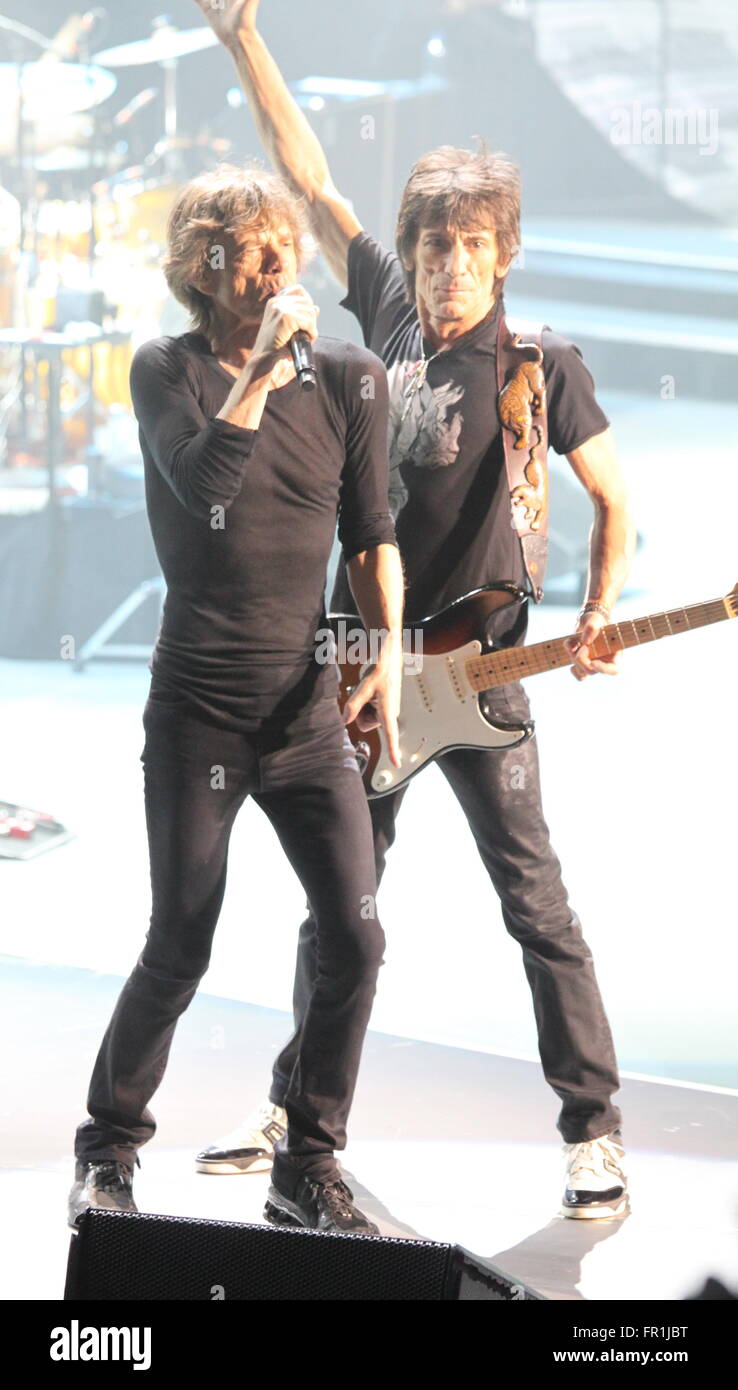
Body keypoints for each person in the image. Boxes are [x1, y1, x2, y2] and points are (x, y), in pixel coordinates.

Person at [193, 0, 638, 1220]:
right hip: (369, 664)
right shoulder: (385, 310)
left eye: (466, 251)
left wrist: (598, 611)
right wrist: (243, 42)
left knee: (535, 901)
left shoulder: (538, 363)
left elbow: (613, 500)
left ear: (503, 259)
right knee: (343, 904)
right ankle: (296, 1101)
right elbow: (312, 175)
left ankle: (593, 1127)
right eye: (431, 247)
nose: (444, 268)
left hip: (482, 675)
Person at [68, 162, 405, 1236]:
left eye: (280, 248)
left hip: (304, 715)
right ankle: (107, 1149)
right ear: (200, 271)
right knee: (182, 937)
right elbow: (207, 486)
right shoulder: (163, 370)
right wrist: (257, 372)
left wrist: (387, 653)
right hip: (198, 711)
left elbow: (372, 534)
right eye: (244, 252)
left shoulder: (351, 375)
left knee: (355, 936)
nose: (270, 266)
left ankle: (307, 1159)